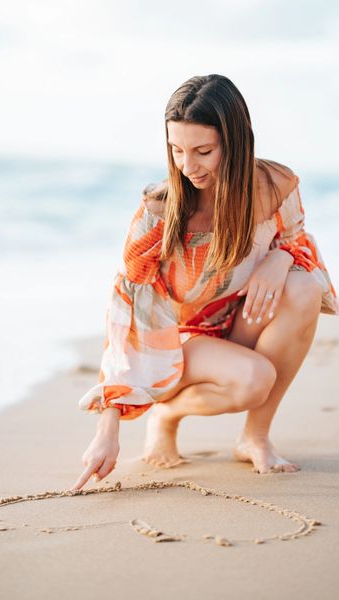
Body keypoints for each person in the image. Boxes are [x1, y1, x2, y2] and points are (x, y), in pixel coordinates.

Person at [72, 74, 338, 490]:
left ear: (235, 142)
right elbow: (127, 311)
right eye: (176, 150)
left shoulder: (274, 186)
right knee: (254, 380)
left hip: (242, 320)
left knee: (303, 287)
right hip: (182, 342)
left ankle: (255, 437)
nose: (187, 166)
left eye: (203, 151)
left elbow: (300, 244)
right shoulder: (159, 210)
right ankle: (167, 414)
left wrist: (281, 258)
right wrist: (109, 428)